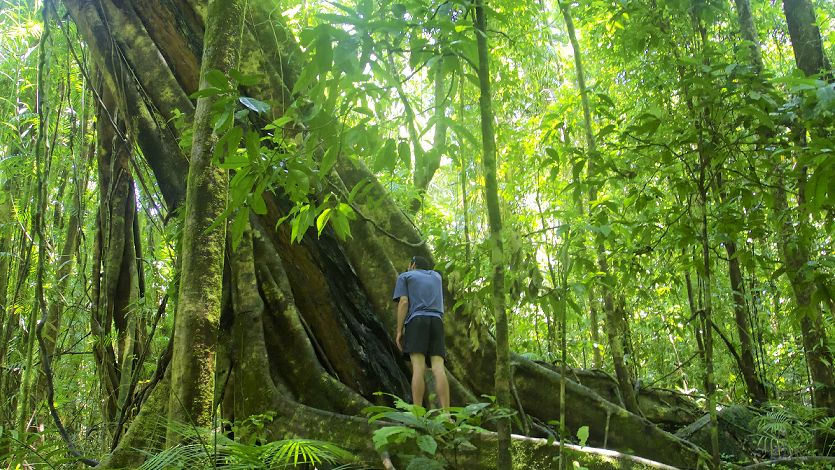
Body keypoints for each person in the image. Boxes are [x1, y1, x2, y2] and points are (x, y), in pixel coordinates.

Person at [392, 255, 450, 409]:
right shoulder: (437, 277)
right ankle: (446, 414)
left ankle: (417, 412)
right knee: (438, 367)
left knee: (418, 366)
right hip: (437, 322)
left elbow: (403, 302)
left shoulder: (405, 276)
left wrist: (399, 331)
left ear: (412, 265)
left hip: (417, 321)